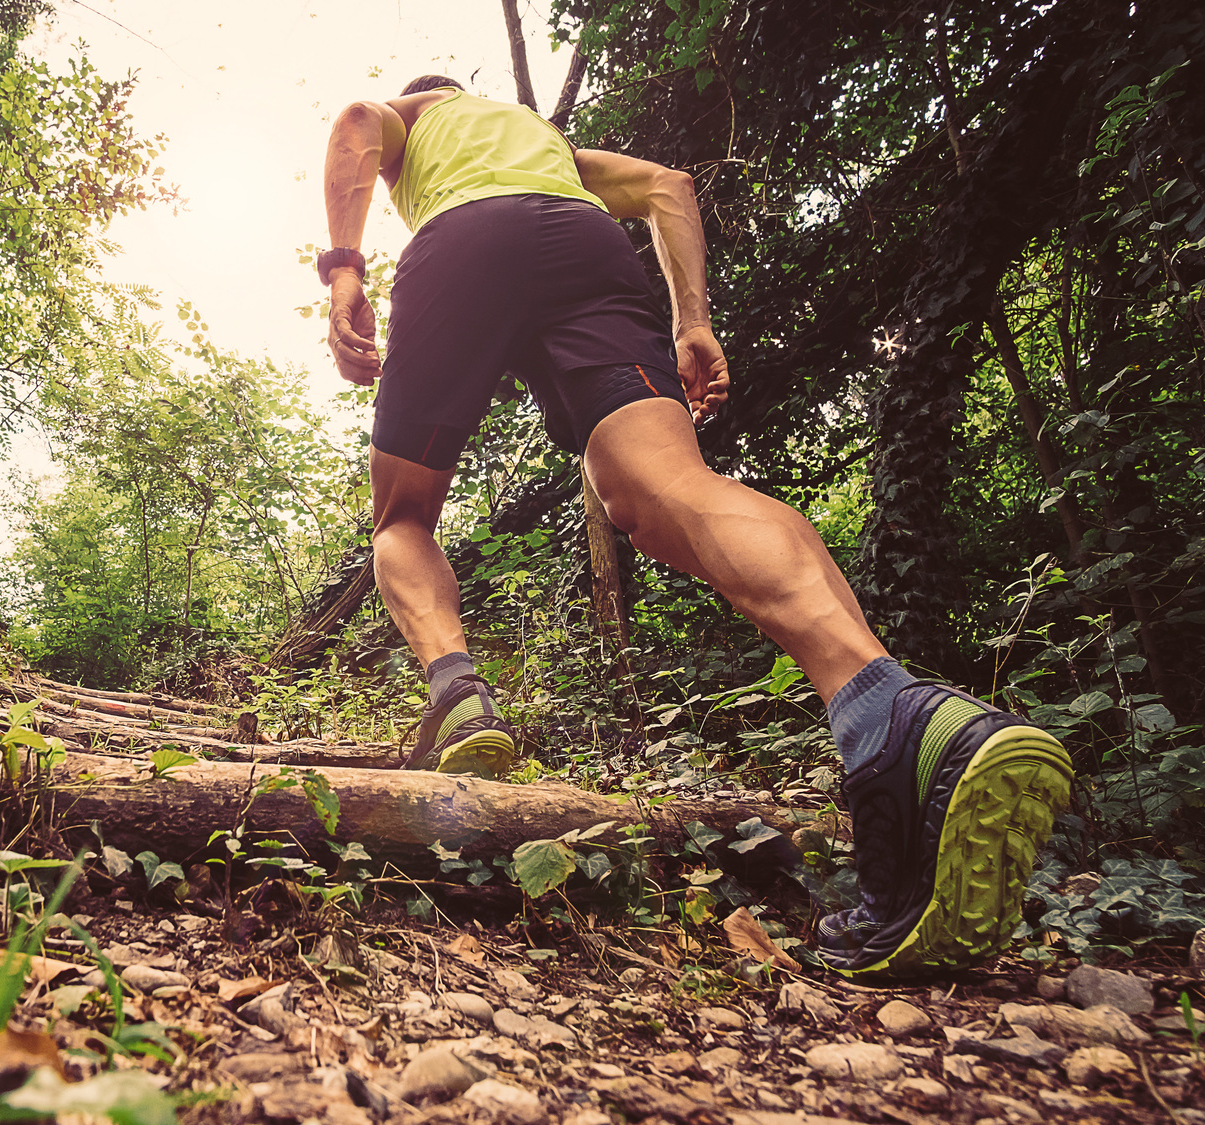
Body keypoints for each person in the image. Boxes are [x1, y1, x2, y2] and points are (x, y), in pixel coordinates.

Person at [316, 75, 1073, 977]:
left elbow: (358, 121)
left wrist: (345, 269)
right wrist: (693, 321)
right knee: (672, 484)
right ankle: (888, 712)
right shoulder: (544, 145)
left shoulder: (417, 123)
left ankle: (457, 692)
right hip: (584, 248)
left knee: (402, 515)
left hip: (465, 248)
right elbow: (670, 186)